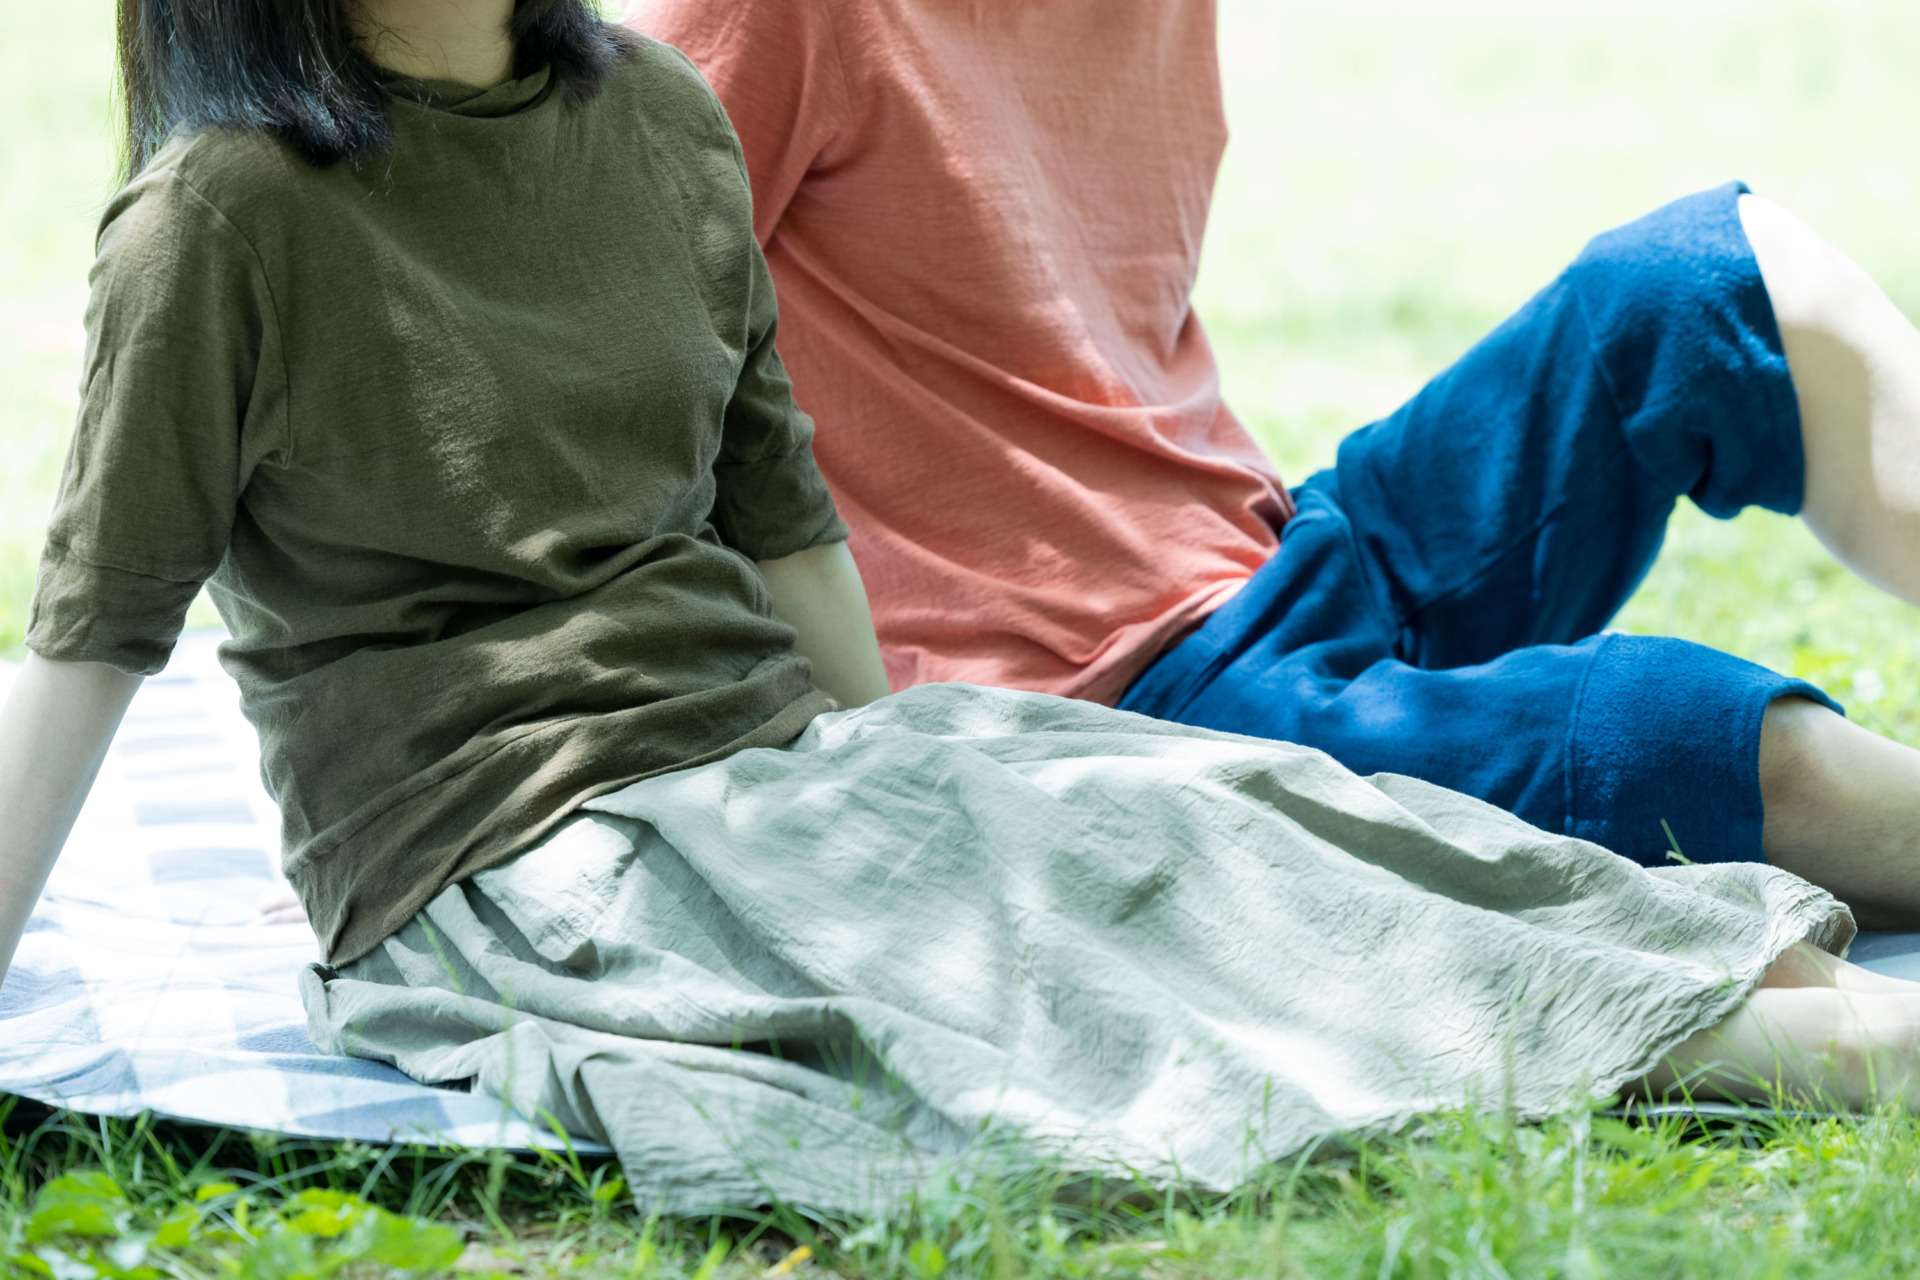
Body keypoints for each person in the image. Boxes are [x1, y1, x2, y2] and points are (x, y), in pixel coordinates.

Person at [0, 0, 1917, 1216]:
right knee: (1218, 891)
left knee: (1244, 810)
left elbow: (766, 486)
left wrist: (893, 747)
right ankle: (1804, 1041)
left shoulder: (649, 117)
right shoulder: (242, 214)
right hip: (682, 803)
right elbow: (103, 624)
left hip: (1037, 658)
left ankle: (1757, 1002)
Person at [630, 0, 1920, 931]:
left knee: (1705, 283)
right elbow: (575, 322)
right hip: (1115, 711)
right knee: (1695, 736)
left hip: (1280, 560)